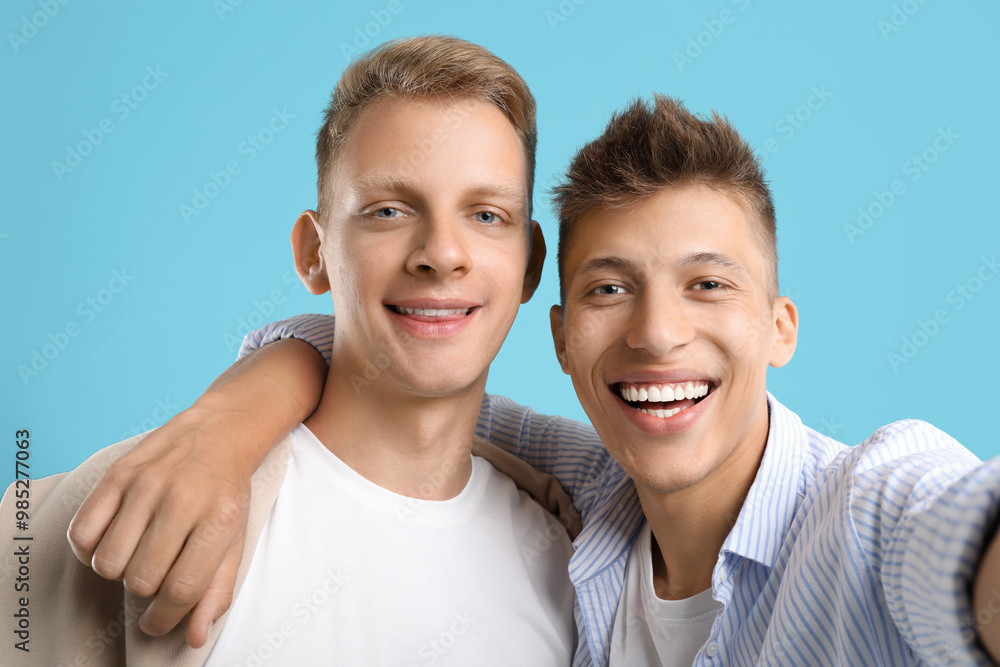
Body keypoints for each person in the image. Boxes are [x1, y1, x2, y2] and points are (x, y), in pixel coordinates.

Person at [65, 97, 1000, 665]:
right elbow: (383, 368)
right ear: (558, 334)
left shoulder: (870, 509)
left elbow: (956, 533)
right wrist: (228, 421)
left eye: (708, 284)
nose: (658, 332)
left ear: (780, 327)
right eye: (609, 288)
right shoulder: (588, 488)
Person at [0, 35, 582, 665]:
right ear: (314, 253)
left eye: (487, 215)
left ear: (532, 265)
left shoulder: (577, 566)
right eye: (388, 210)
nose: (441, 253)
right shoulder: (145, 502)